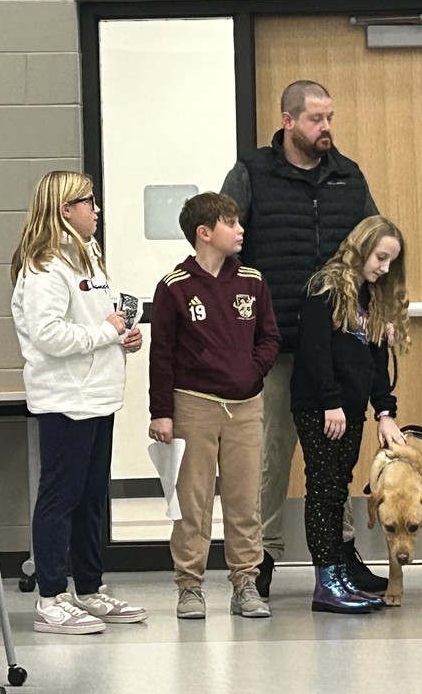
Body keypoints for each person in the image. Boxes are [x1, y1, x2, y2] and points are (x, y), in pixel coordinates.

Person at [221, 79, 387, 599]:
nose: (326, 129)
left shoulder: (347, 175)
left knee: (335, 458)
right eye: (316, 119)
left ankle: (337, 551)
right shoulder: (252, 173)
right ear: (288, 121)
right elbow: (224, 246)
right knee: (271, 453)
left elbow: (373, 239)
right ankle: (261, 556)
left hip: (339, 343)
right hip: (274, 344)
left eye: (330, 118)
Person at [11, 170, 147, 635]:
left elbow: (100, 321)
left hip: (100, 396)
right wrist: (106, 332)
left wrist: (122, 336)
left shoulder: (88, 257)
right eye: (88, 202)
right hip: (65, 399)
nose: (97, 210)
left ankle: (89, 589)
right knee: (60, 497)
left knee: (92, 499)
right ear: (65, 209)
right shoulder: (45, 266)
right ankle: (51, 597)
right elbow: (48, 335)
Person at [148, 192, 281, 620]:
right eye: (230, 223)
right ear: (204, 234)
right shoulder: (175, 287)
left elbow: (270, 338)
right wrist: (160, 411)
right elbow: (161, 353)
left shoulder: (253, 281)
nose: (240, 230)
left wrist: (251, 369)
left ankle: (246, 581)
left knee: (245, 500)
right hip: (194, 405)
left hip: (245, 406)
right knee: (193, 501)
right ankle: (190, 586)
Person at [290, 215, 410, 613]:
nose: (384, 268)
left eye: (391, 262)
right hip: (322, 407)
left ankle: (339, 574)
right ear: (361, 247)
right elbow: (314, 351)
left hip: (351, 409)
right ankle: (326, 582)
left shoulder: (368, 296)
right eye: (380, 257)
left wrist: (385, 411)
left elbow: (375, 360)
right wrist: (329, 401)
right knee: (324, 492)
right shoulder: (325, 287)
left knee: (337, 490)